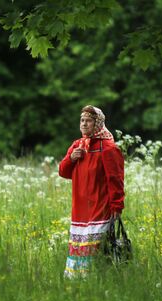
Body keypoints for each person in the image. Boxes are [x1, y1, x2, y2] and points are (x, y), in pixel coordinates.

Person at [59, 105, 125, 278]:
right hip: (80, 211)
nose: (84, 124)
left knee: (98, 251)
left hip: (100, 209)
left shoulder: (108, 148)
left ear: (98, 123)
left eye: (89, 121)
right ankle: (77, 282)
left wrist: (117, 206)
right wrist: (71, 158)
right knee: (79, 247)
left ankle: (99, 281)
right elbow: (63, 172)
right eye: (82, 120)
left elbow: (116, 180)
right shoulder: (77, 145)